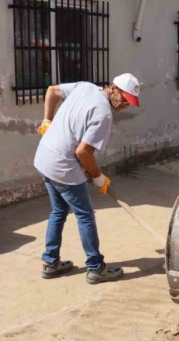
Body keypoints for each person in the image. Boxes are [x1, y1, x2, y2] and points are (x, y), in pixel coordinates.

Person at [34, 73, 140, 284]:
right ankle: (95, 267)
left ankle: (50, 262)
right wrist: (98, 177)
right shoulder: (103, 115)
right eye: (125, 99)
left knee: (58, 210)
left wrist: (47, 119)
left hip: (44, 157)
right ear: (113, 88)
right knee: (85, 215)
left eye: (130, 102)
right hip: (62, 165)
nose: (125, 105)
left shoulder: (85, 87)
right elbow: (83, 153)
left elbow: (52, 91)